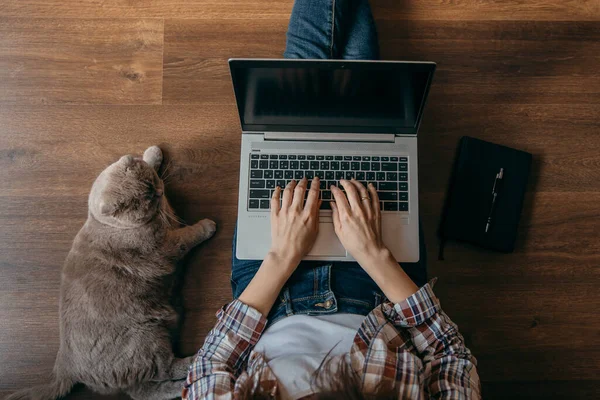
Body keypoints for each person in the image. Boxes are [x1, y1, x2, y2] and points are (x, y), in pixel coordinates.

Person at [183, 0, 481, 398]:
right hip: (380, 287)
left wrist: (283, 255)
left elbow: (210, 365)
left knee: (297, 115)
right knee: (367, 119)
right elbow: (449, 355)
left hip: (271, 285)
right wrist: (374, 253)